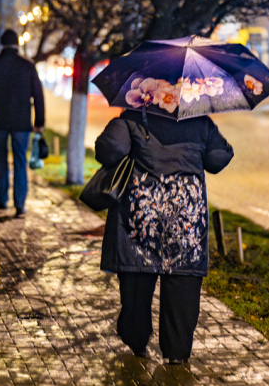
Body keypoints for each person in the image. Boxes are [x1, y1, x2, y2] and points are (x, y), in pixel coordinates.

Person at [94, 109, 234, 365]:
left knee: (136, 281)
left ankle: (136, 340)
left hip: (140, 220)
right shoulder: (200, 121)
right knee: (183, 286)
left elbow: (109, 149)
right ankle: (177, 352)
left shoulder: (133, 117)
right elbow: (218, 158)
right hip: (185, 221)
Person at [0, 29, 45, 218]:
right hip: (22, 122)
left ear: (2, 44)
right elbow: (38, 95)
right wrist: (40, 121)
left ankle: (1, 199)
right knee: (20, 160)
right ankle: (20, 204)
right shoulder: (27, 66)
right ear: (17, 44)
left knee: (0, 157)